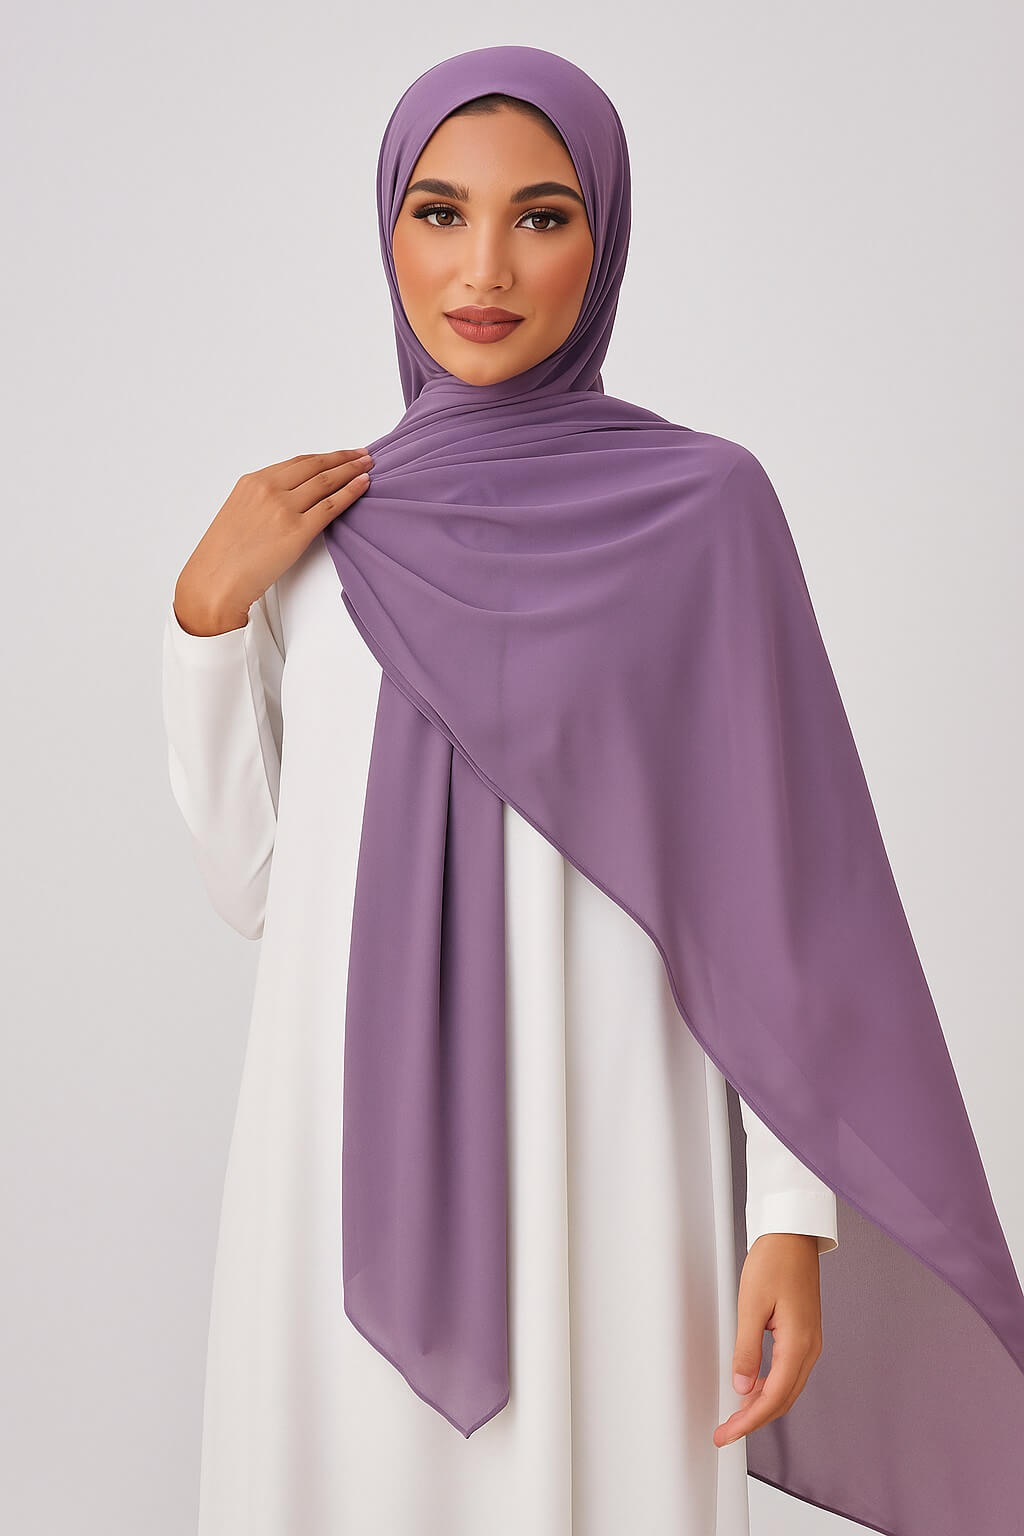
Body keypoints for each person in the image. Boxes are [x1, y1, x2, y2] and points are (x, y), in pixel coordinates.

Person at [164, 45, 1024, 1536]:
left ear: (606, 236)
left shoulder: (704, 512)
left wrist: (791, 1220)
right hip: (337, 1176)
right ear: (387, 230)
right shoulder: (311, 538)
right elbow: (254, 890)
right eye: (440, 213)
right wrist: (204, 620)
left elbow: (782, 891)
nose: (484, 269)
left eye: (542, 217)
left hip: (617, 1152)